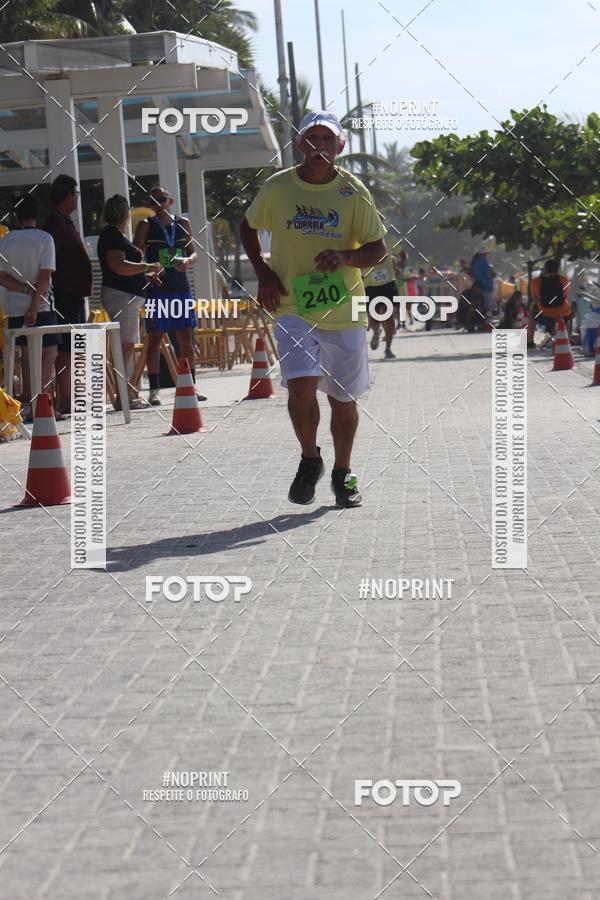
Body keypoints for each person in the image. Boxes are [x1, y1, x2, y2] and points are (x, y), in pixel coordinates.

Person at [239, 110, 388, 508]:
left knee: (342, 401)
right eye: (312, 138)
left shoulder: (353, 192)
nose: (319, 145)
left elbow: (377, 249)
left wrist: (344, 257)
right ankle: (310, 459)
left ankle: (343, 473)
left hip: (343, 309)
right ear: (300, 144)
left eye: (327, 139)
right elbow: (248, 225)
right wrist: (264, 273)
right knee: (301, 385)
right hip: (292, 306)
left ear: (339, 147)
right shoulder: (278, 188)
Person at [133, 186, 202, 406]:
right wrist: (147, 270)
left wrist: (187, 262)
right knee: (154, 339)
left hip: (180, 288)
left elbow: (193, 252)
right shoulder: (145, 225)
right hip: (157, 291)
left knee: (185, 338)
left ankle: (191, 385)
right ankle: (154, 390)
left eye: (161, 199)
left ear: (170, 201)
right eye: (153, 201)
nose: (158, 204)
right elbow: (136, 255)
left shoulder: (183, 224)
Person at [98, 194, 162, 409]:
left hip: (126, 296)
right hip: (122, 296)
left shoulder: (115, 235)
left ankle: (125, 393)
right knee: (125, 346)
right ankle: (122, 397)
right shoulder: (112, 236)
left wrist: (144, 272)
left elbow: (124, 266)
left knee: (126, 345)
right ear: (125, 214)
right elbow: (118, 265)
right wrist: (147, 267)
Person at [0, 194, 59, 420]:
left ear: (16, 215)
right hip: (43, 306)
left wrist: (25, 292)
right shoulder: (45, 239)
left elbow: (2, 278)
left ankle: (30, 401)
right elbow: (44, 278)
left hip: (15, 306)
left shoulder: (5, 241)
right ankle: (43, 401)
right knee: (48, 353)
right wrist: (34, 305)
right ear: (37, 215)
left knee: (26, 355)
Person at [43, 174, 92, 414]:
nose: (77, 200)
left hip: (73, 295)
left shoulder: (63, 221)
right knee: (66, 349)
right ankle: (65, 400)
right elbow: (50, 263)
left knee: (73, 348)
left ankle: (69, 398)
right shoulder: (55, 224)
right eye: (76, 195)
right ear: (69, 195)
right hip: (64, 296)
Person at [526, 259, 571, 350]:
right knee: (569, 308)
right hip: (563, 314)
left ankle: (529, 341)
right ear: (557, 269)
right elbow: (565, 296)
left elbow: (535, 298)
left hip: (544, 313)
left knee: (533, 310)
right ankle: (568, 337)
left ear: (545, 268)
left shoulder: (535, 281)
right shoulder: (564, 280)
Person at [364, 249, 397, 359]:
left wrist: (396, 266)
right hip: (370, 286)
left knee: (389, 316)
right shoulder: (359, 242)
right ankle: (377, 332)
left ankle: (388, 349)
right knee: (374, 318)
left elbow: (402, 256)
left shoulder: (388, 240)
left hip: (388, 284)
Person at [470, 246, 496, 319]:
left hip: (480, 287)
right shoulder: (482, 262)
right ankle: (487, 321)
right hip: (486, 287)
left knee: (483, 306)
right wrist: (492, 274)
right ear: (483, 254)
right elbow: (487, 273)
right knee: (487, 306)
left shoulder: (476, 262)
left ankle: (483, 320)